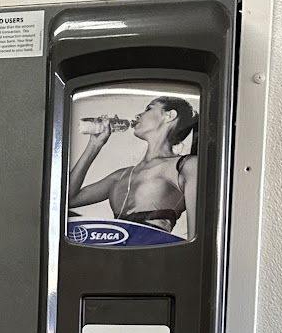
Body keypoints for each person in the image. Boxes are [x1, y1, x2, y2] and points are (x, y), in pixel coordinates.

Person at [69, 95, 198, 238]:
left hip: (153, 251)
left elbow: (196, 237)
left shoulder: (187, 166)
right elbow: (68, 199)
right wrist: (95, 145)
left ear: (169, 116)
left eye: (148, 109)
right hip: (113, 250)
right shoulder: (121, 175)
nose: (138, 115)